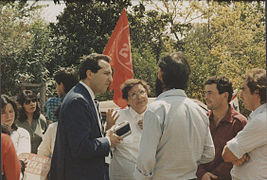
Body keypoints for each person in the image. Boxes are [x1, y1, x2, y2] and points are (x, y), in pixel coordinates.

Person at [134, 52, 215, 180]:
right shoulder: (199, 110)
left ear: (160, 74)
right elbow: (209, 153)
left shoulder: (156, 110)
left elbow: (146, 159)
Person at [49, 53, 122, 180]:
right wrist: (108, 140)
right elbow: (81, 147)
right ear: (89, 74)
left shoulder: (84, 98)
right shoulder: (78, 101)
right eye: (106, 73)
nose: (110, 79)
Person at [196, 76, 247, 180]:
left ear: (225, 95)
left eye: (210, 93)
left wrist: (213, 176)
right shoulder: (201, 120)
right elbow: (192, 150)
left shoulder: (239, 123)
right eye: (205, 93)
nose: (206, 97)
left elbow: (241, 157)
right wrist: (201, 173)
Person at [222, 68, 267, 180]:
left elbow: (227, 154)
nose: (241, 96)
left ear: (257, 92)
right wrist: (240, 154)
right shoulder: (258, 117)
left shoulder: (261, 120)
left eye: (244, 90)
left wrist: (237, 154)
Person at [109, 79, 151, 180]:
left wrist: (152, 127)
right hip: (123, 176)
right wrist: (108, 128)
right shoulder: (117, 117)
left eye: (142, 92)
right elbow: (107, 148)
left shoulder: (157, 116)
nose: (139, 97)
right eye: (133, 94)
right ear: (127, 100)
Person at [38, 67, 78, 157]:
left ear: (61, 85)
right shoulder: (84, 101)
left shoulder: (60, 103)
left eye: (56, 85)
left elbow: (42, 152)